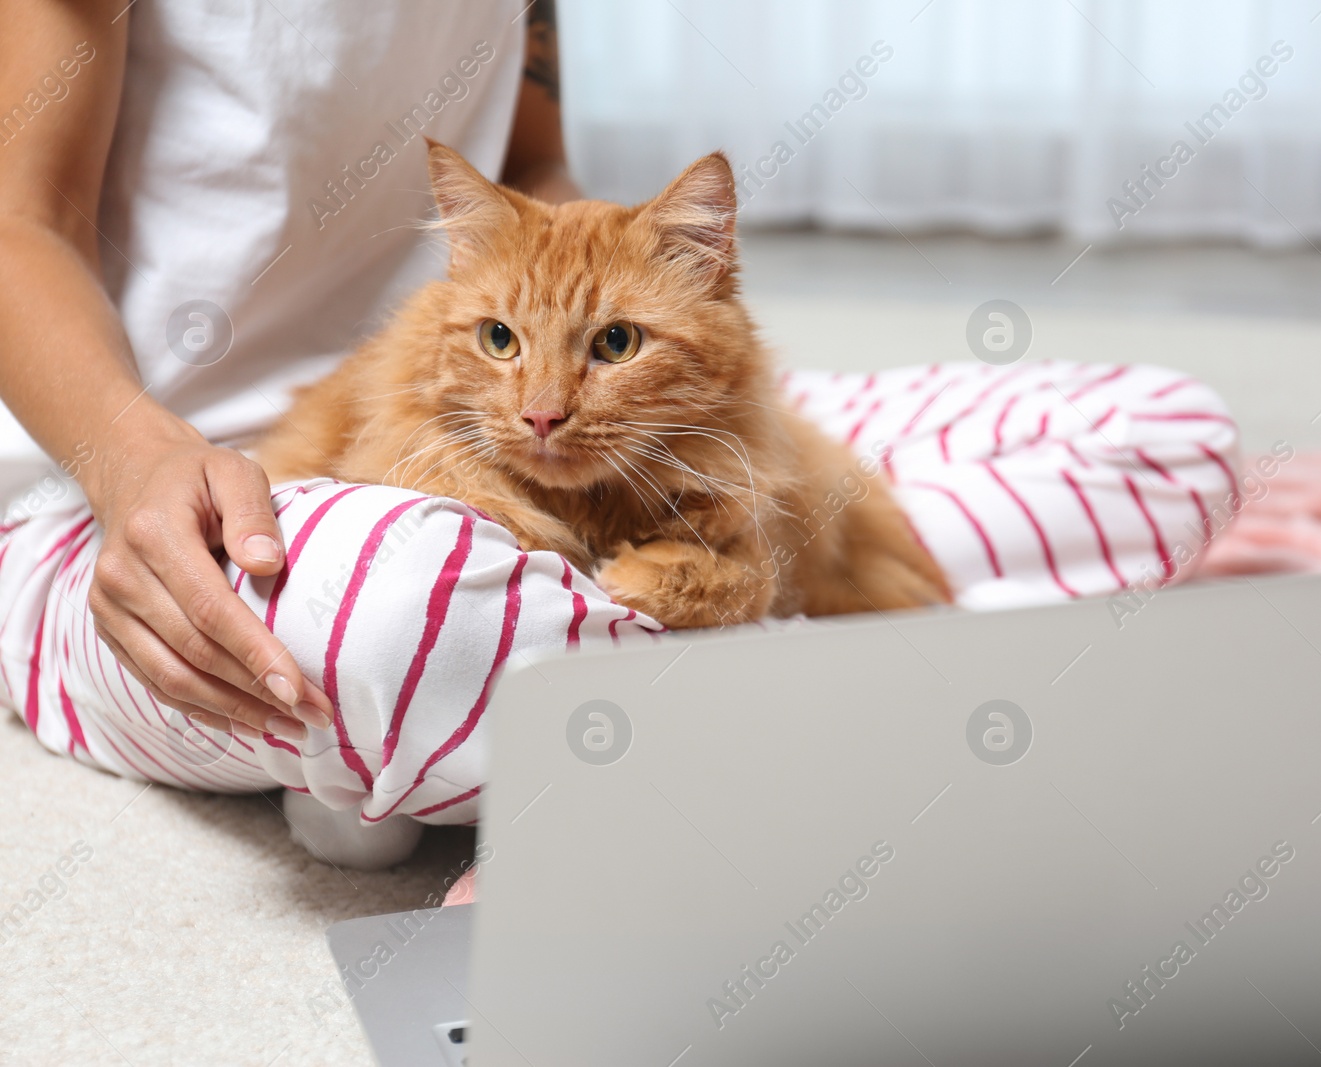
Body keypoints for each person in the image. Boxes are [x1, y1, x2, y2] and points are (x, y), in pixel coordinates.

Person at [0, 0, 1239, 866]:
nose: (548, 401)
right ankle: (724, 663)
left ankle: (573, 678)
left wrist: (635, 292)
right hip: (153, 484)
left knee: (1166, 436)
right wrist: (133, 461)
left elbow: (535, 184)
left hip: (567, 408)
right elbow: (17, 223)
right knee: (395, 615)